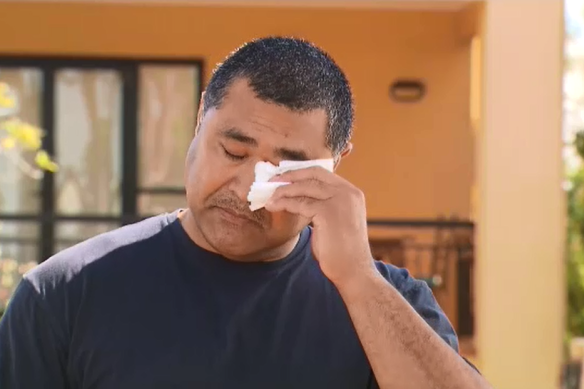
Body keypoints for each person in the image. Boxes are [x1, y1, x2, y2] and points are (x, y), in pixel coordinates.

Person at [0, 37, 491, 389]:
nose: (245, 188)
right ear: (199, 121)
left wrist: (359, 280)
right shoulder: (64, 295)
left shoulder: (387, 301)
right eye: (234, 152)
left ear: (334, 167)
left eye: (286, 170)